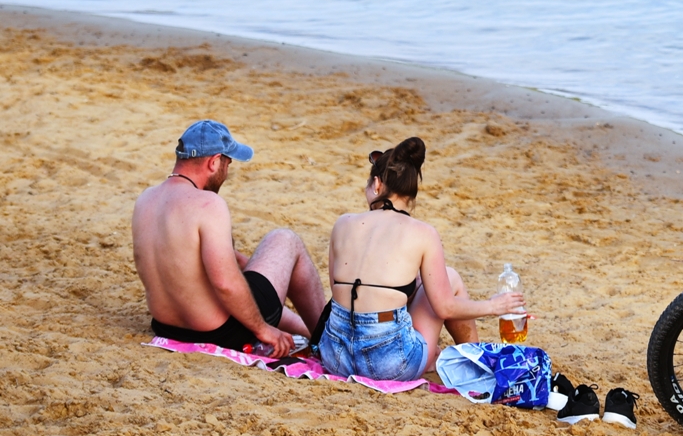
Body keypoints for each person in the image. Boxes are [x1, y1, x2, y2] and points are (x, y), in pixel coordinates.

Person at [318, 136, 525, 381]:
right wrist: (494, 306)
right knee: (449, 277)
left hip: (335, 357)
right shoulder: (423, 233)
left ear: (376, 184)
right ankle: (474, 360)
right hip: (389, 363)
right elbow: (444, 307)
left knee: (412, 285)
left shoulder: (343, 223)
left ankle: (456, 357)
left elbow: (338, 290)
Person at [132, 120, 326, 357]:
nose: (227, 171)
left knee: (253, 284)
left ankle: (307, 330)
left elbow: (214, 262)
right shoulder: (208, 204)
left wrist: (258, 270)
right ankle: (326, 338)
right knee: (285, 239)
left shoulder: (146, 200)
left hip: (168, 328)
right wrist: (263, 329)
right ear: (214, 162)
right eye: (228, 162)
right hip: (220, 333)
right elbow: (226, 284)